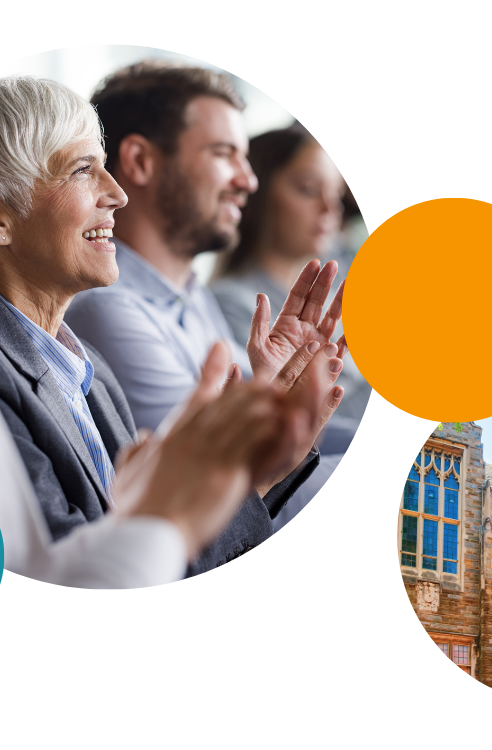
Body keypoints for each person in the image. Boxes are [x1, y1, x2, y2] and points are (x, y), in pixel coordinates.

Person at [0, 75, 343, 578]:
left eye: (105, 167)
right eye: (81, 170)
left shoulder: (93, 371)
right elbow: (101, 571)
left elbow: (150, 544)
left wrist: (267, 429)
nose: (117, 194)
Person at [64, 62, 349, 529]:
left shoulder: (192, 296)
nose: (248, 180)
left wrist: (286, 393)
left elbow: (280, 452)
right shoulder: (106, 310)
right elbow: (234, 487)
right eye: (224, 154)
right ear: (139, 162)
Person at [210, 126, 373, 425]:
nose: (330, 207)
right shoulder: (235, 304)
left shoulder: (346, 273)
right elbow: (315, 426)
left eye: (335, 193)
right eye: (309, 189)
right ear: (257, 194)